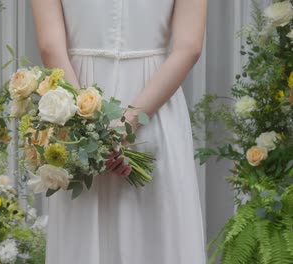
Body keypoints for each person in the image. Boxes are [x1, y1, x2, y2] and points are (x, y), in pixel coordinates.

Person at [31, 0, 207, 263]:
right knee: (159, 236)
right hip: (155, 102)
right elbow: (188, 47)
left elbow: (50, 47)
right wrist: (131, 121)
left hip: (80, 103)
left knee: (84, 233)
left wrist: (89, 127)